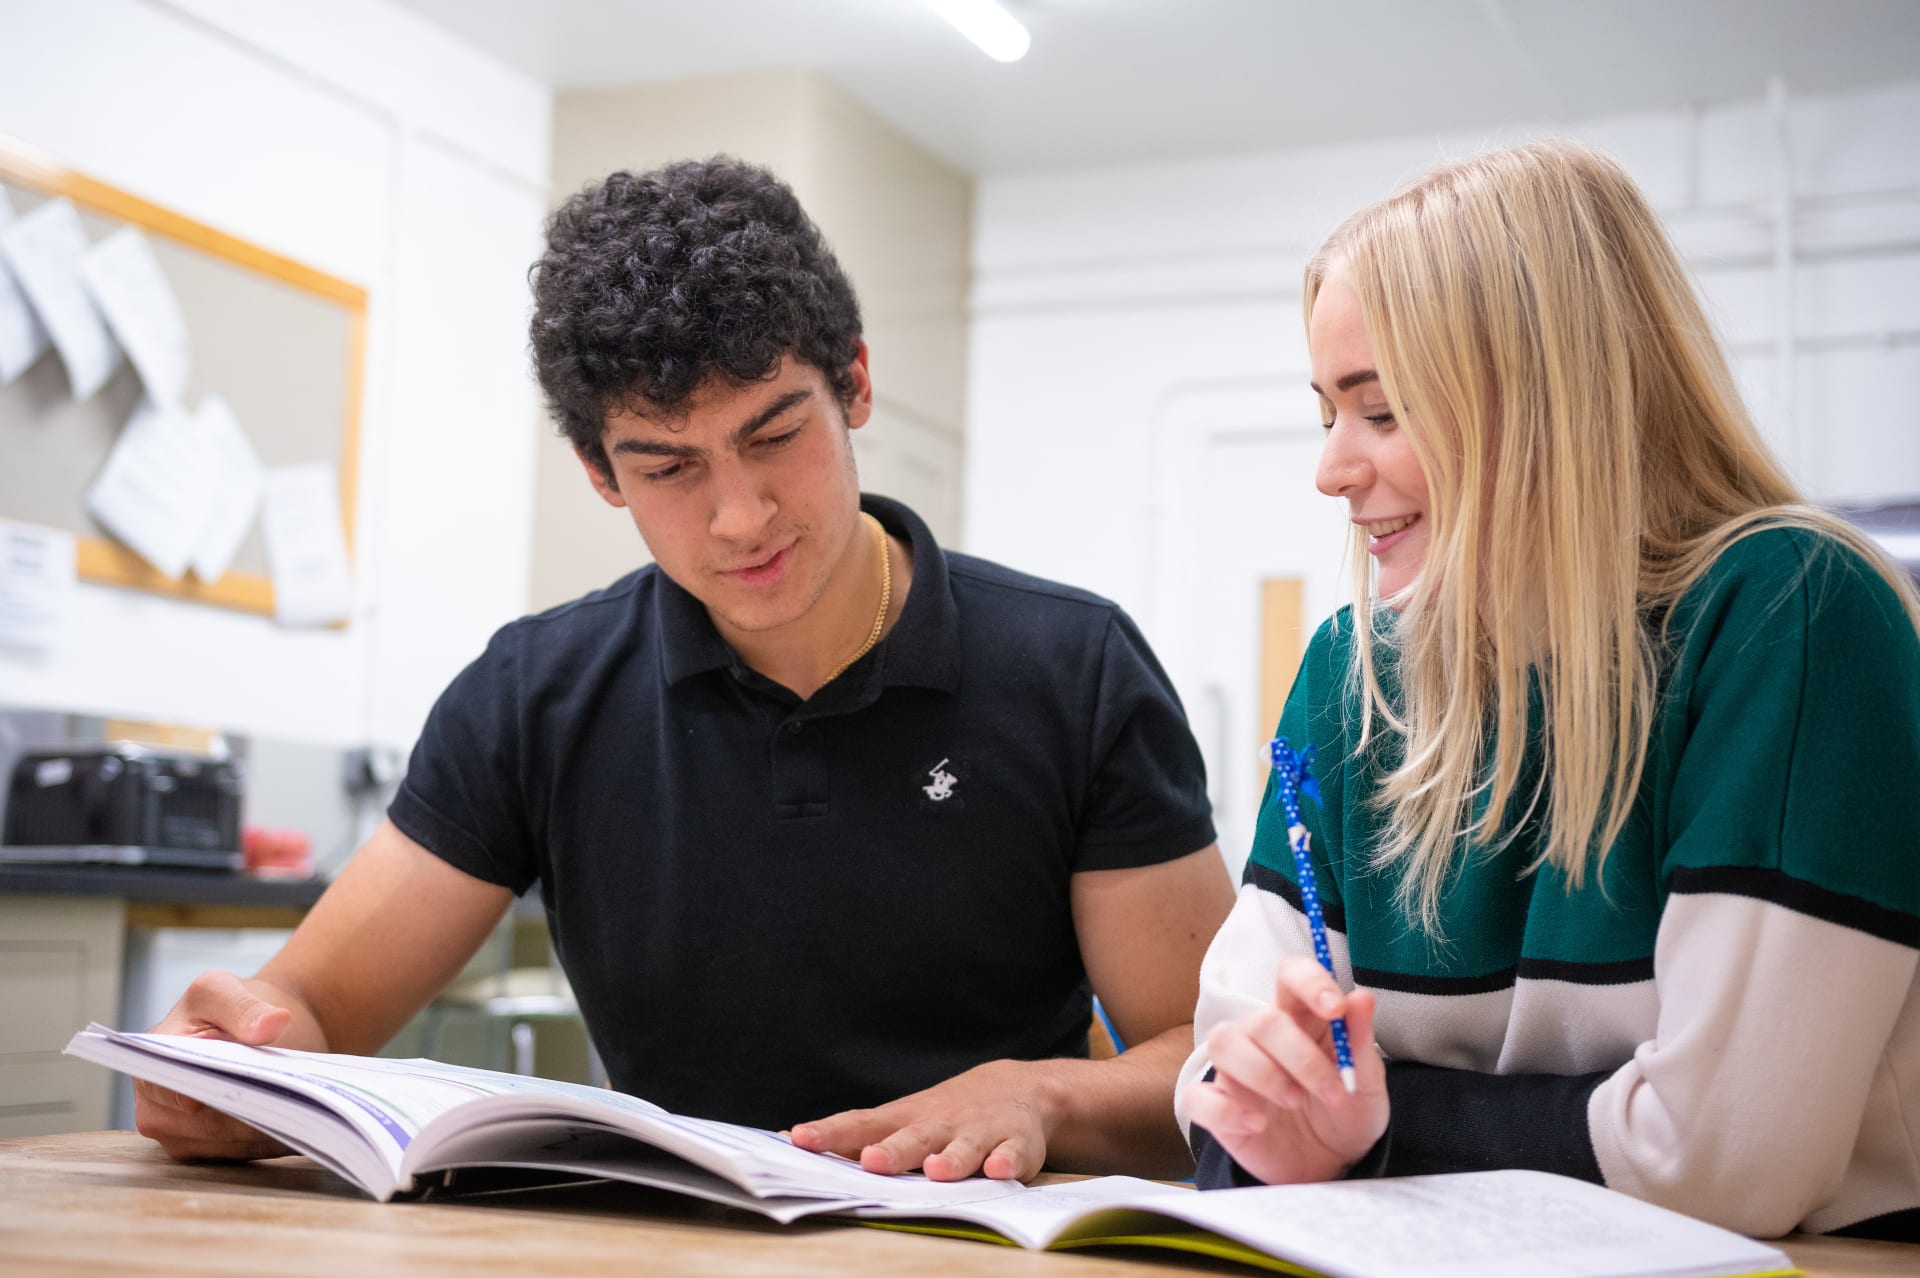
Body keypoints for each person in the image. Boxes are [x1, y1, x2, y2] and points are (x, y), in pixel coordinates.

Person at [138, 157, 1235, 1182]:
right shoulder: (535, 697)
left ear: (853, 384)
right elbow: (312, 1007)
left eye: (774, 436)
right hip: (674, 1240)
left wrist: (1041, 1095)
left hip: (990, 1234)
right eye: (668, 467)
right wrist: (230, 1063)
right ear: (600, 472)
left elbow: (1210, 1057)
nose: (741, 517)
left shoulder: (1071, 667)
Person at [1175, 139, 1920, 1240]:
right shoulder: (1351, 669)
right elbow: (1221, 1086)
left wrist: (1372, 1133)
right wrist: (1280, 1116)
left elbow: (1721, 1166)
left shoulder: (1790, 611)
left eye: (1381, 412)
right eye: (1326, 413)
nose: (1331, 469)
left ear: (1547, 404)